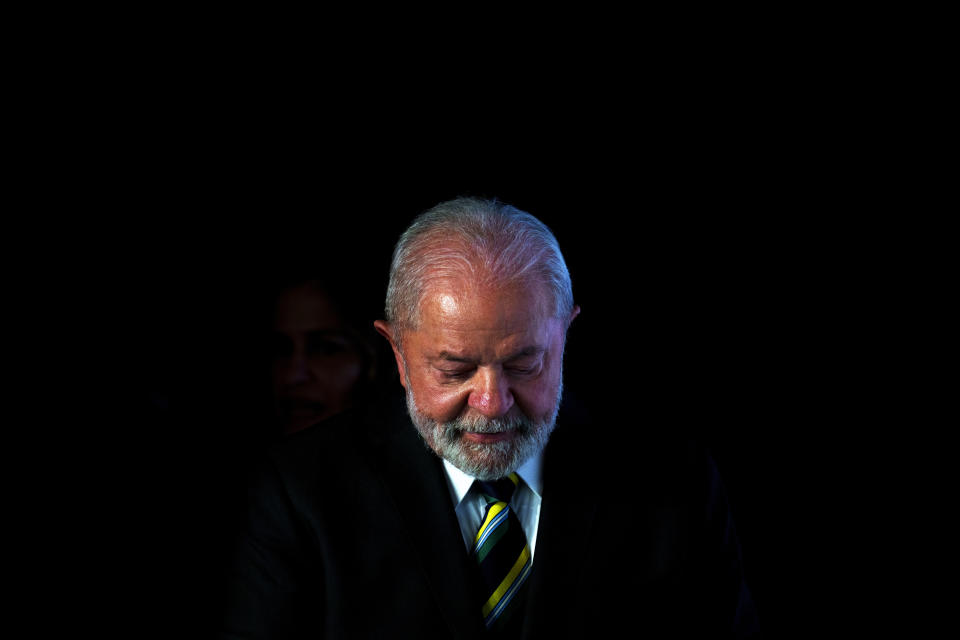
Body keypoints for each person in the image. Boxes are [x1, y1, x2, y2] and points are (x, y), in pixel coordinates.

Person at [220, 197, 760, 638]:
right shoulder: (298, 493)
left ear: (565, 336)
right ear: (398, 354)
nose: (493, 402)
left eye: (524, 363)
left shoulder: (676, 483)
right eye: (455, 370)